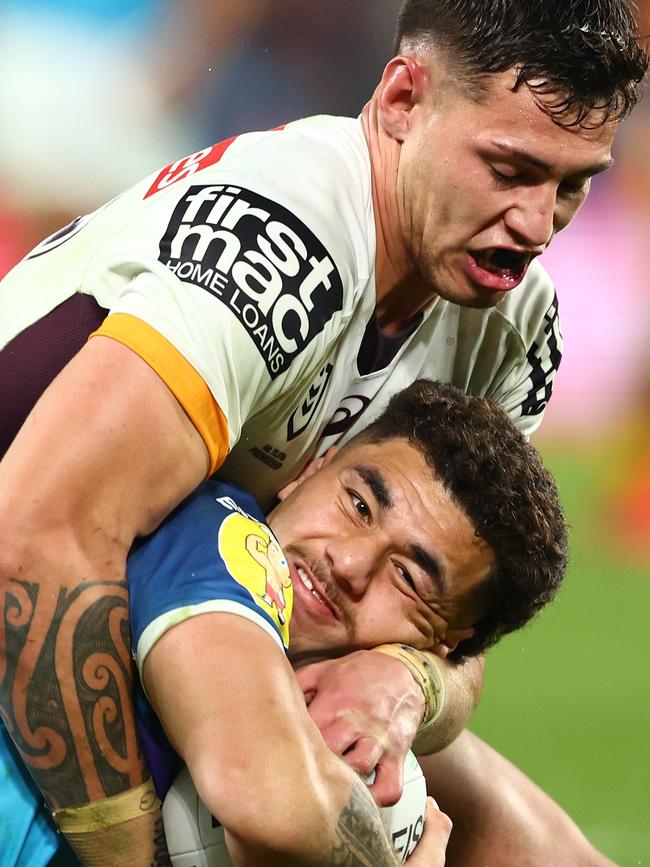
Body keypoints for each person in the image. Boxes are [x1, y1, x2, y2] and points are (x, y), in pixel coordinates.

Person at [0, 0, 646, 864]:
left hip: (181, 597)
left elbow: (461, 615)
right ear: (403, 100)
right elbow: (40, 531)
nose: (535, 223)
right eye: (507, 168)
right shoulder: (283, 240)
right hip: (50, 575)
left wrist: (406, 682)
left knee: (450, 781)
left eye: (570, 184)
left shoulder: (509, 325)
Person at [1, 381, 568, 865]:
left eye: (408, 579)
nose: (346, 562)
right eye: (358, 504)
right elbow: (264, 801)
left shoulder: (361, 726)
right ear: (310, 471)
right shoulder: (220, 538)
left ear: (442, 643)